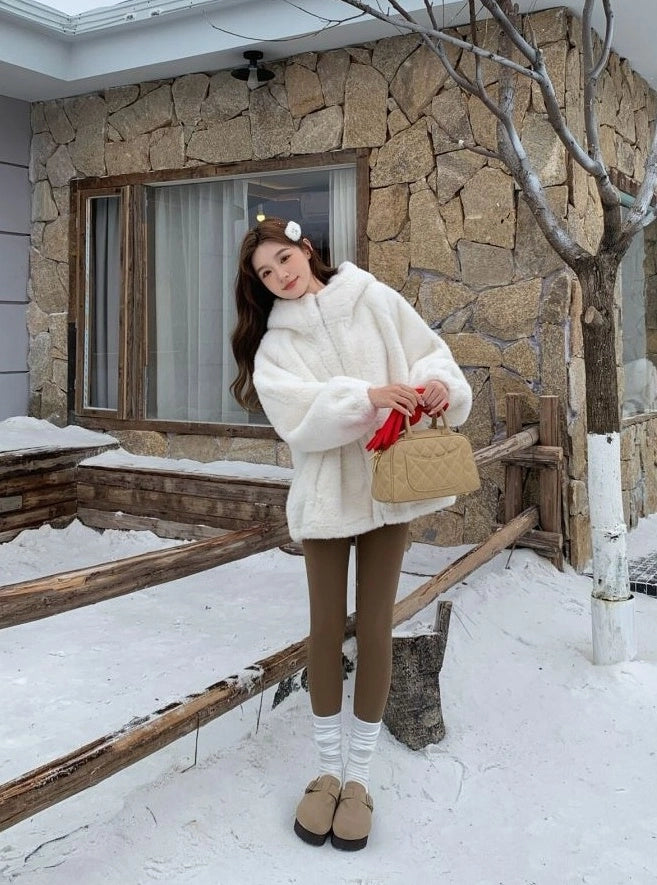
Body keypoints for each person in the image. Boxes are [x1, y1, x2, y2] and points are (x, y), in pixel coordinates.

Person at [231, 217, 472, 851]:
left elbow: (431, 354)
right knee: (324, 629)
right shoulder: (275, 346)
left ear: (306, 249)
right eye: (266, 273)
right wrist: (368, 395)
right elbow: (297, 418)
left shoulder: (373, 299)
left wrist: (438, 385)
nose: (280, 276)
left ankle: (359, 777)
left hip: (389, 491)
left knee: (375, 628)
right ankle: (326, 772)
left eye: (284, 259)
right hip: (326, 500)